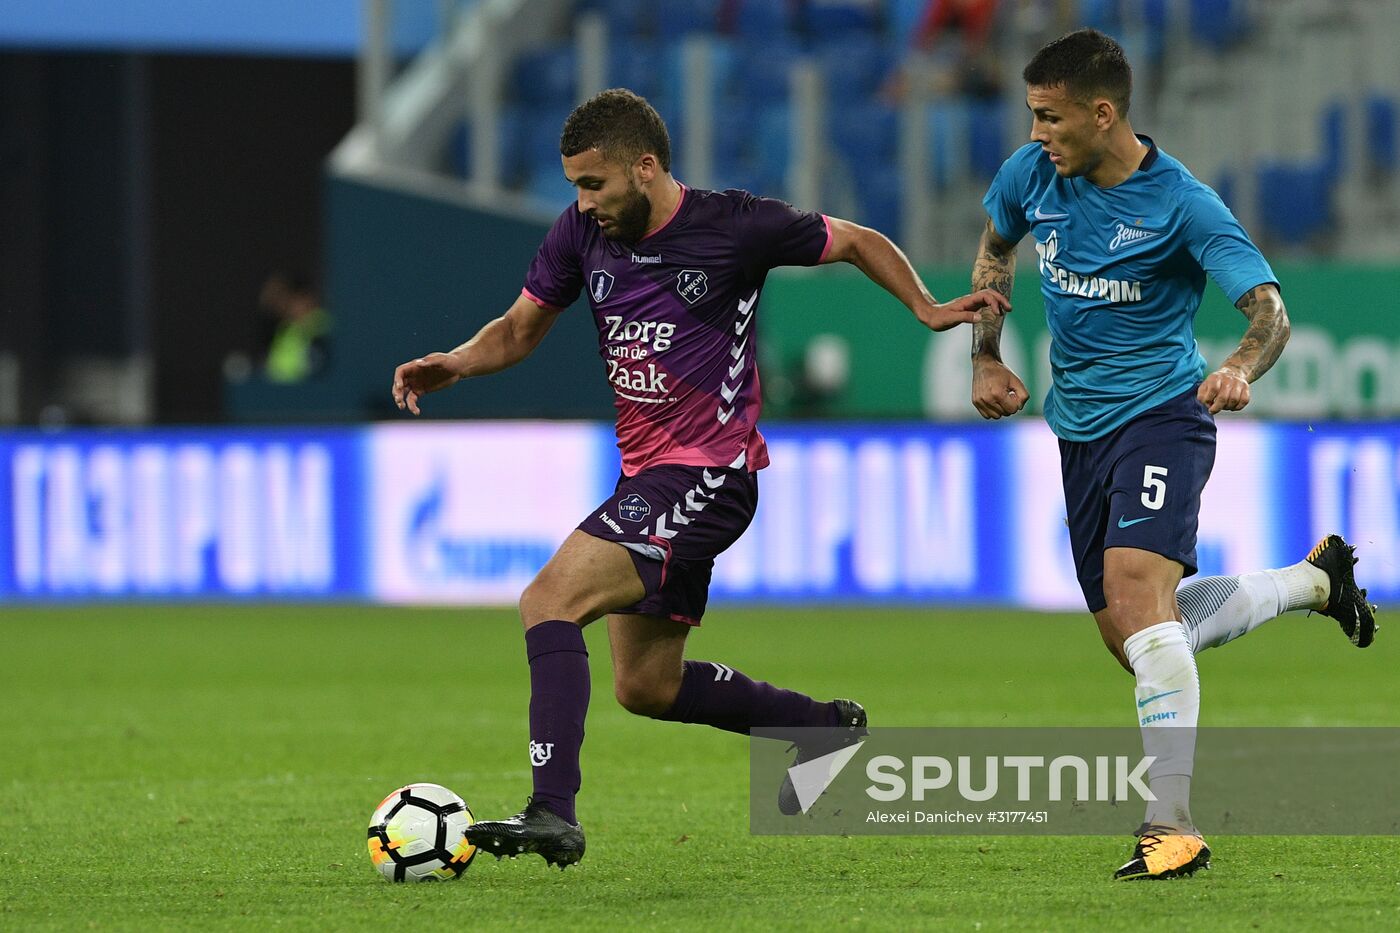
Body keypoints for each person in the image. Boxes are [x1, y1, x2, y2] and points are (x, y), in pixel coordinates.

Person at [391, 88, 1009, 867]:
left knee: (548, 599)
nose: (581, 202)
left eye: (593, 183)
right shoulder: (582, 234)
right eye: (574, 185)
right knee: (646, 685)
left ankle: (552, 809)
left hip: (710, 473)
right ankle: (820, 727)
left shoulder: (734, 225)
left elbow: (852, 239)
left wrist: (923, 308)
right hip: (648, 479)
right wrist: (458, 361)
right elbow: (519, 328)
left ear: (643, 167)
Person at [967, 29, 1377, 881]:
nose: (1037, 134)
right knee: (1143, 636)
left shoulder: (1184, 204)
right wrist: (986, 351)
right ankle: (1313, 582)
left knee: (1136, 597)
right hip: (1076, 428)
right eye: (1032, 117)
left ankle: (1173, 825)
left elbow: (1271, 312)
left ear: (1102, 113)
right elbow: (995, 246)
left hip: (1163, 415)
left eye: (1050, 118)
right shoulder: (1030, 175)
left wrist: (1235, 366)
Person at [258, 271, 331, 383]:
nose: (282, 307)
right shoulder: (285, 331)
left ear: (305, 297)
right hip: (281, 394)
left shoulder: (324, 326)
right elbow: (275, 369)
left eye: (285, 299)